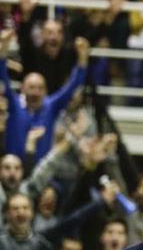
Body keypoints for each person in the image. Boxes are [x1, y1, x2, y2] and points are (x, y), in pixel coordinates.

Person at [1, 28, 89, 162]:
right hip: (13, 170)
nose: (35, 92)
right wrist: (4, 46)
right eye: (31, 87)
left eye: (40, 88)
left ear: (46, 90)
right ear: (22, 88)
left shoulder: (51, 106)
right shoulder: (14, 104)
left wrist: (83, 57)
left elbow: (73, 86)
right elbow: (2, 76)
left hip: (41, 173)